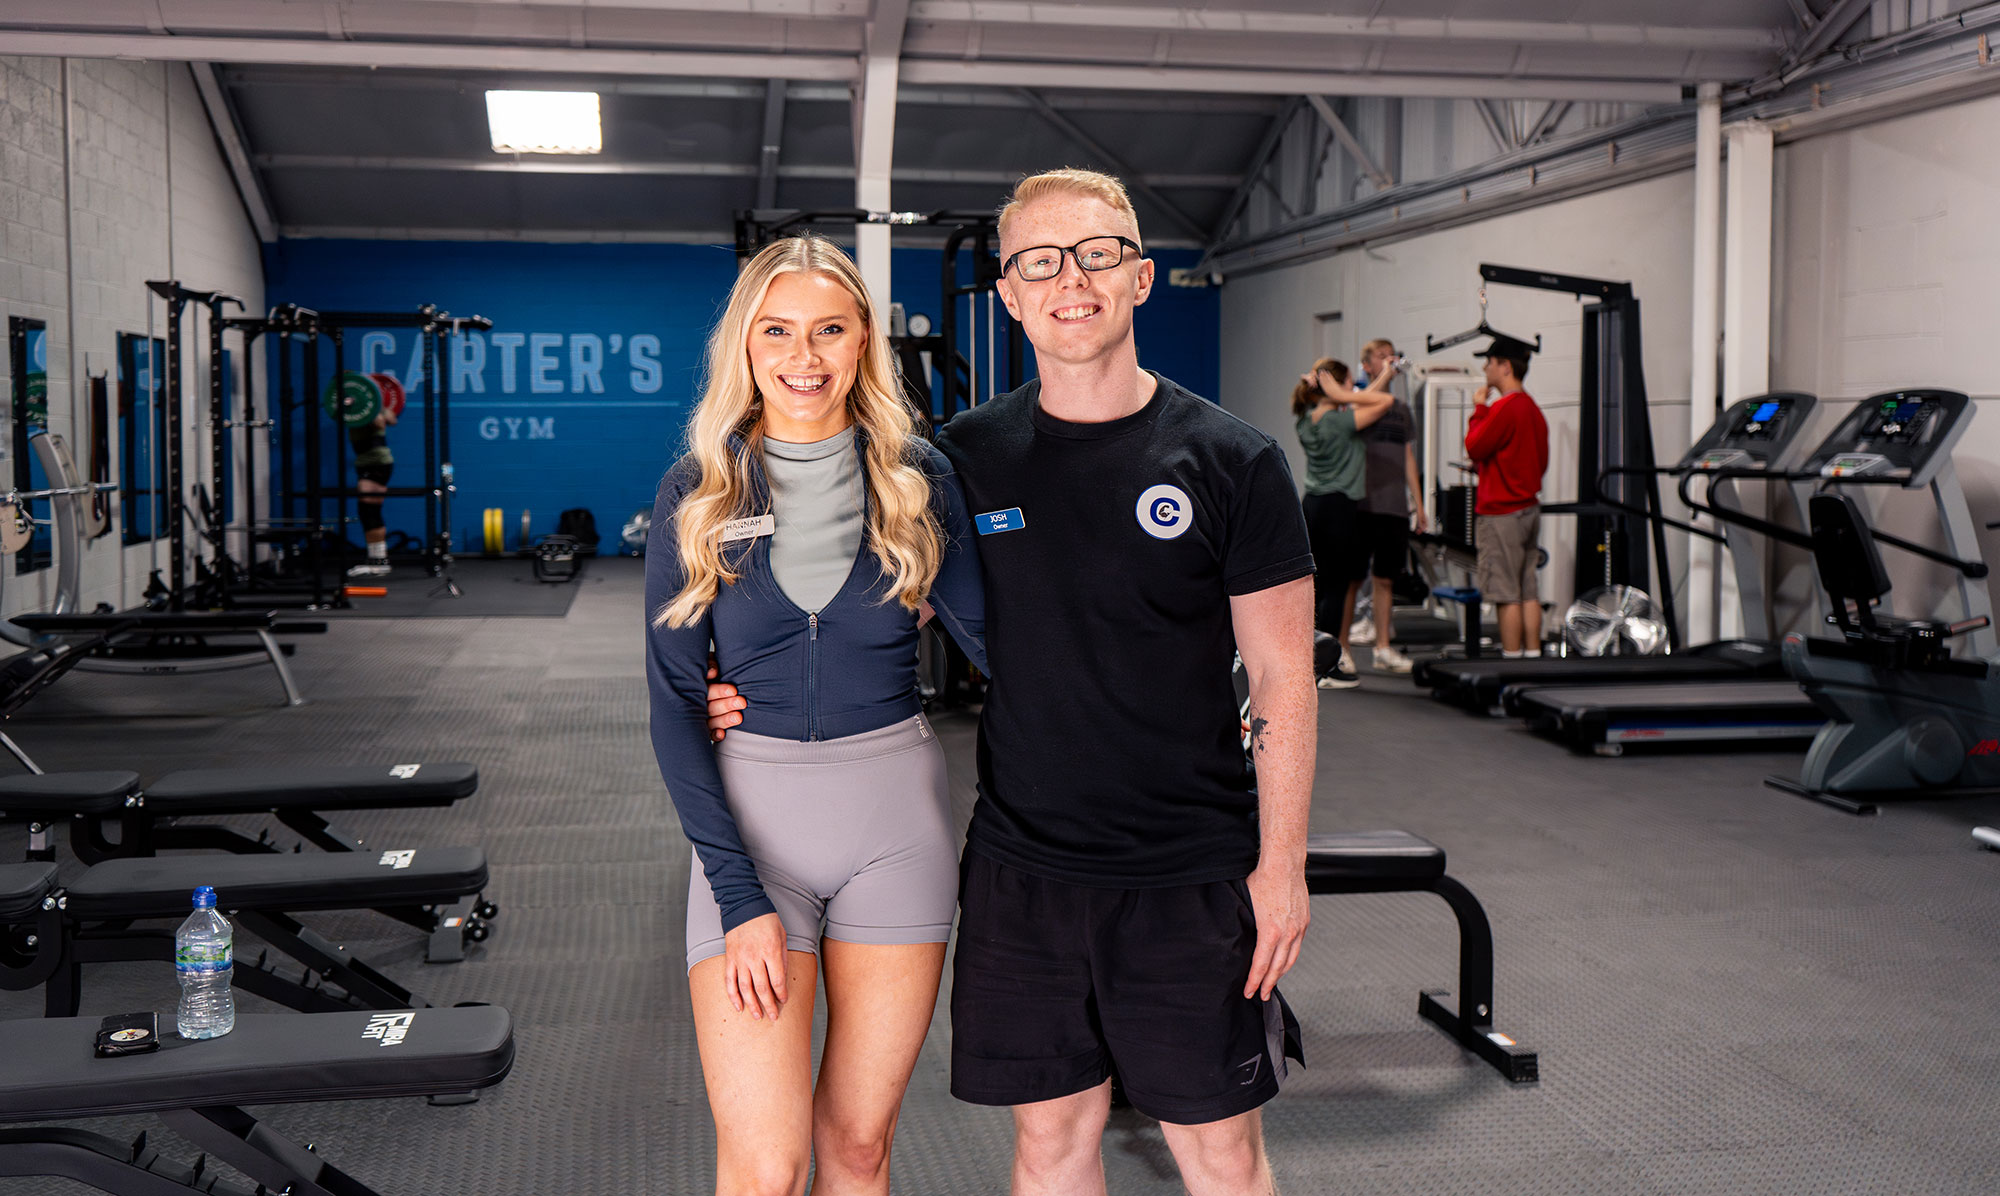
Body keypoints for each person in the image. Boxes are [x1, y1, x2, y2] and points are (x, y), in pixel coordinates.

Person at [710, 168, 1316, 1196]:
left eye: (1093, 257)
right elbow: (846, 595)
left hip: (1188, 869)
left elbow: (1282, 681)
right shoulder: (961, 460)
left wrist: (1281, 865)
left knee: (1217, 1150)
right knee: (1048, 1144)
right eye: (1039, 262)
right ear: (1009, 292)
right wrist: (734, 681)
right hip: (1022, 869)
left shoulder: (1233, 461)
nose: (1066, 281)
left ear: (1139, 279)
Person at [645, 234, 988, 1196]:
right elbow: (675, 701)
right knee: (765, 1164)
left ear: (863, 341)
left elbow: (1005, 646)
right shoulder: (700, 488)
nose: (806, 358)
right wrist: (739, 895)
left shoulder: (920, 477)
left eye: (830, 330)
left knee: (858, 1149)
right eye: (779, 332)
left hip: (896, 830)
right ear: (745, 348)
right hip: (753, 838)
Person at [1293, 357, 1395, 684]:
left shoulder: (1306, 419)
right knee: (1335, 588)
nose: (1353, 391)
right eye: (1348, 384)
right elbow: (1385, 401)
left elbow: (1363, 401)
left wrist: (1335, 393)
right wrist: (1341, 393)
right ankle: (1328, 666)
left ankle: (1307, 661)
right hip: (1340, 509)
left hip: (1311, 507)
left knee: (1317, 586)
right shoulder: (1342, 421)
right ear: (1335, 387)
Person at [1464, 335, 1549, 657]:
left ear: (1504, 366)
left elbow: (1474, 445)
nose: (1485, 368)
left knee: (1505, 593)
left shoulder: (1504, 408)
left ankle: (1511, 665)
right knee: (1528, 589)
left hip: (1501, 513)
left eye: (1489, 362)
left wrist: (1479, 408)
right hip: (1528, 509)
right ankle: (1532, 656)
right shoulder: (1532, 409)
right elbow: (1538, 461)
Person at [1349, 338, 1428, 673]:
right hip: (1361, 503)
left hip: (1393, 506)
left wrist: (1419, 505)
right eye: (1380, 358)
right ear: (1366, 366)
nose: (1389, 361)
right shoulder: (1356, 402)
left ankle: (1383, 647)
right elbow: (1362, 407)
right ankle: (1340, 649)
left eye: (1390, 356)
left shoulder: (1401, 409)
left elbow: (1407, 456)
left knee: (1385, 579)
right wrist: (1383, 379)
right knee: (1352, 578)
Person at [347, 401, 398, 577]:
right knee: (368, 511)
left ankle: (379, 563)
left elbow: (386, 420)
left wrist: (363, 407)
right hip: (366, 463)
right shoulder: (348, 407)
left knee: (369, 511)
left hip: (377, 463)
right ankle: (377, 560)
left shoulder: (370, 405)